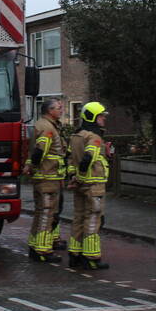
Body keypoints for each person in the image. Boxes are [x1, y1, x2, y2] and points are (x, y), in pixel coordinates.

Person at [68, 102, 111, 270]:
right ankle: (91, 258)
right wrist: (81, 176)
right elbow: (88, 158)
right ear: (92, 117)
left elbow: (70, 160)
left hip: (79, 186)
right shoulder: (94, 137)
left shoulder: (76, 136)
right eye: (101, 116)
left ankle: (75, 254)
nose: (103, 119)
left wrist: (74, 177)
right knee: (93, 219)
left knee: (78, 218)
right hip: (93, 185)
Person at [25, 98, 68, 263]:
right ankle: (43, 250)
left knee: (40, 212)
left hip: (45, 177)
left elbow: (34, 151)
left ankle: (35, 245)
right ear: (50, 111)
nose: (61, 110)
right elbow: (39, 152)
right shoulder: (47, 128)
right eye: (58, 108)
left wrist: (31, 167)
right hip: (48, 177)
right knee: (47, 214)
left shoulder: (44, 125)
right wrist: (34, 167)